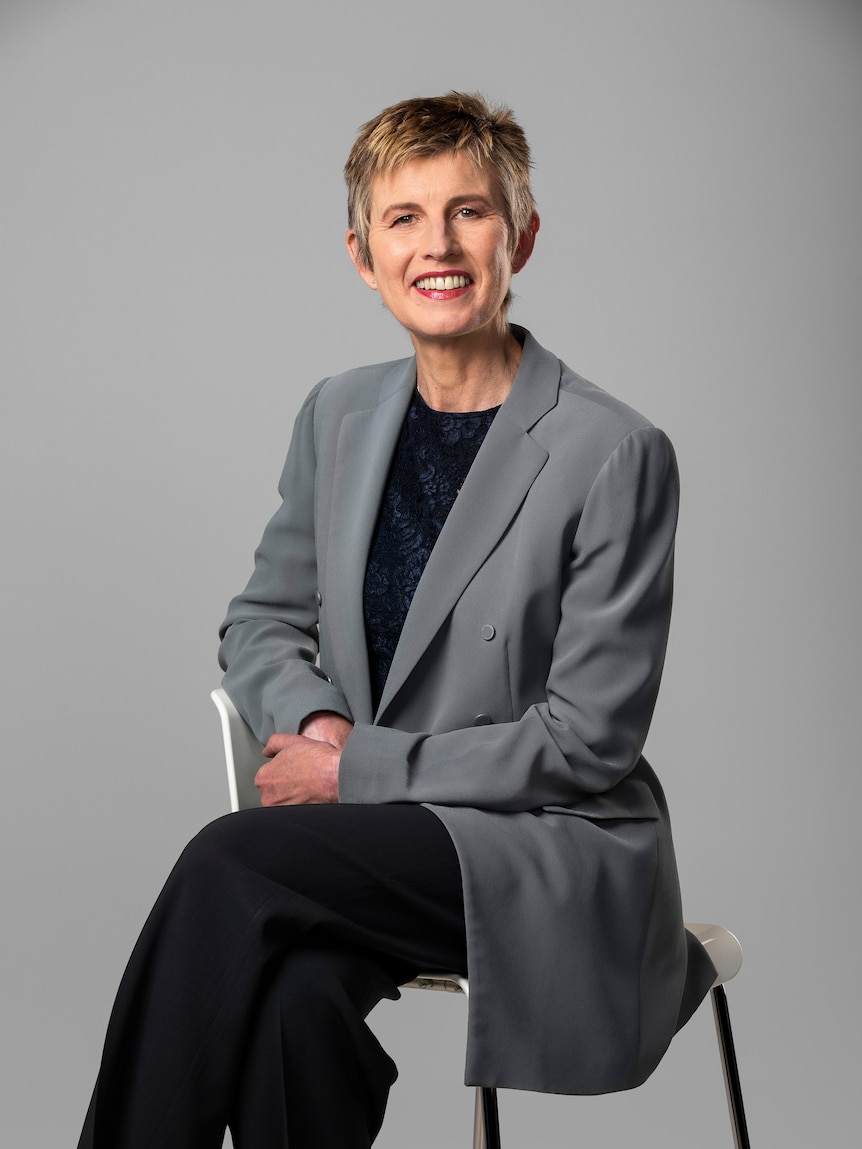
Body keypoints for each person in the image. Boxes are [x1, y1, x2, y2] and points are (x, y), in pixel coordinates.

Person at [78, 92, 716, 1149]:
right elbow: (262, 624)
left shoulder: (613, 450)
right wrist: (323, 731)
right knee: (296, 1003)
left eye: (469, 212)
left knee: (234, 863)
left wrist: (355, 772)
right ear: (362, 255)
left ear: (522, 236)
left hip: (543, 844)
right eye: (404, 218)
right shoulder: (339, 413)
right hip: (382, 835)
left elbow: (587, 739)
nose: (439, 245)